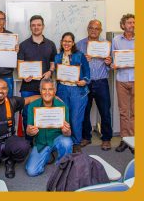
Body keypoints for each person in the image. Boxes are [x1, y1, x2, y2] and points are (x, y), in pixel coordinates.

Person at [76, 19, 113, 150]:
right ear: (87, 28)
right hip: (85, 83)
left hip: (101, 82)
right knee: (84, 111)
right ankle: (86, 137)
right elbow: (74, 64)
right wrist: (82, 61)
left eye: (96, 28)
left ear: (100, 30)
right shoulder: (79, 45)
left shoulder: (107, 45)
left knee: (105, 111)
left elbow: (112, 64)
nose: (93, 30)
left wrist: (109, 62)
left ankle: (107, 139)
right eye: (91, 27)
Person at [24, 78, 73, 176]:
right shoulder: (32, 106)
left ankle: (61, 166)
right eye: (44, 89)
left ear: (55, 91)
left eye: (50, 89)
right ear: (40, 91)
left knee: (67, 142)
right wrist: (30, 132)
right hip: (41, 142)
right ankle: (46, 156)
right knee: (32, 171)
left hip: (57, 139)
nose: (47, 92)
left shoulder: (62, 106)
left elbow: (68, 133)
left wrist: (66, 131)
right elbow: (28, 132)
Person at [53, 32, 90, 151]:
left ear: (73, 43)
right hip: (62, 90)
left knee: (75, 118)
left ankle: (76, 143)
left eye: (69, 41)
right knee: (63, 117)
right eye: (64, 41)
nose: (67, 43)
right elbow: (56, 75)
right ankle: (64, 142)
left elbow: (87, 72)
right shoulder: (58, 57)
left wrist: (84, 81)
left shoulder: (79, 56)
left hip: (77, 90)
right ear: (61, 42)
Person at [16, 15, 57, 96]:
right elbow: (19, 64)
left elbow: (53, 62)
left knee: (45, 109)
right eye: (33, 25)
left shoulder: (51, 44)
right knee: (28, 109)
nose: (36, 27)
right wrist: (23, 76)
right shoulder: (23, 45)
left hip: (46, 88)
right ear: (30, 27)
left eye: (39, 25)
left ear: (43, 26)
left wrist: (50, 72)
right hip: (28, 88)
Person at [112, 13, 135, 152]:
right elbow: (112, 59)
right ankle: (124, 139)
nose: (132, 25)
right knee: (123, 112)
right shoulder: (116, 40)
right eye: (129, 23)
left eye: (134, 22)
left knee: (135, 112)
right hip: (121, 79)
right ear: (123, 25)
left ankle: (133, 140)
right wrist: (113, 64)